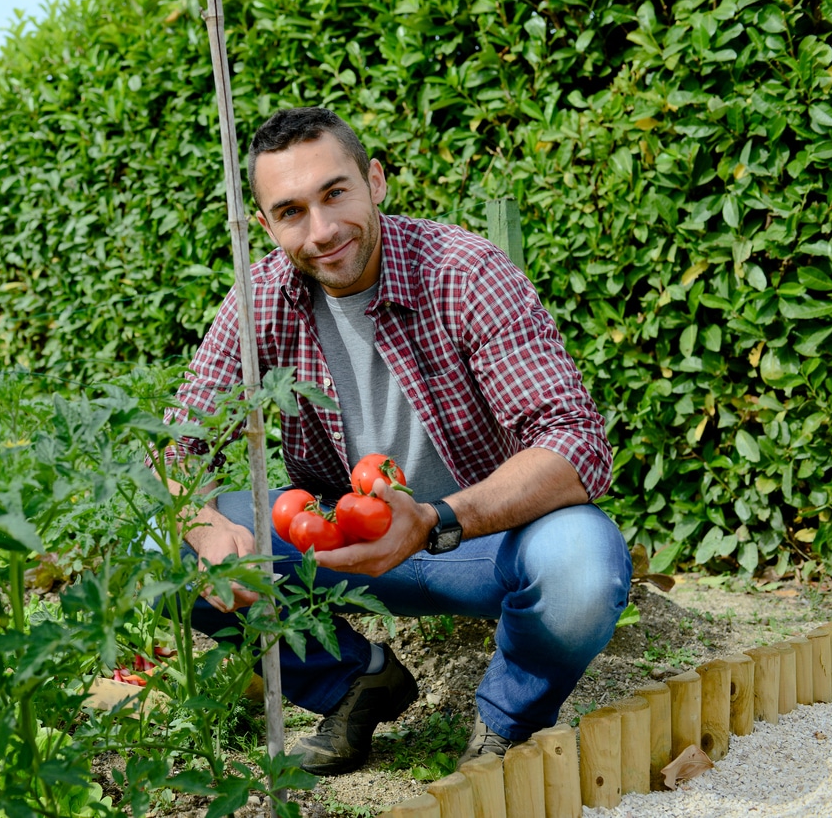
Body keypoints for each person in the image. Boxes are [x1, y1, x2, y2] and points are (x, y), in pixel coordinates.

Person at [163, 106, 632, 776]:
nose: (322, 231)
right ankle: (357, 681)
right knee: (158, 545)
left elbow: (574, 441)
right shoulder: (260, 297)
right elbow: (176, 448)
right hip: (341, 544)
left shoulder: (464, 271)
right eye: (292, 211)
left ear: (374, 180)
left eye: (335, 193)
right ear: (265, 226)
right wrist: (203, 526)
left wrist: (438, 519)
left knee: (583, 565)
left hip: (478, 543)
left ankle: (508, 723)